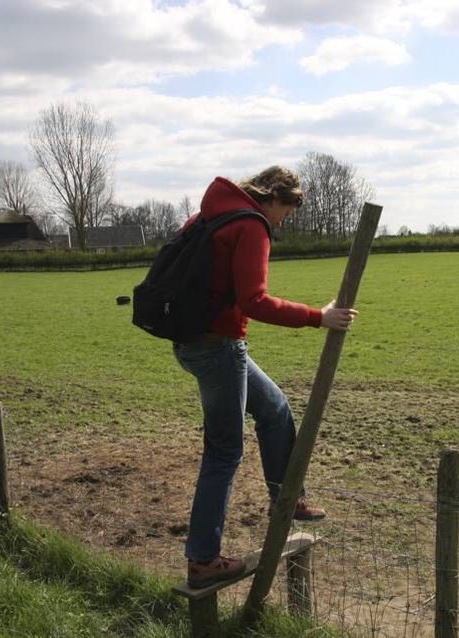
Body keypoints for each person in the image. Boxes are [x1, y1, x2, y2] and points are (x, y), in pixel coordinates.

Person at [174, 166, 358, 588]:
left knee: (275, 409)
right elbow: (254, 301)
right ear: (275, 199)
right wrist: (319, 317)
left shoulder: (207, 215)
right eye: (286, 214)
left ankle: (286, 498)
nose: (282, 222)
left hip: (192, 342)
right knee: (223, 453)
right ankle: (203, 559)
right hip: (218, 348)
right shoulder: (250, 223)